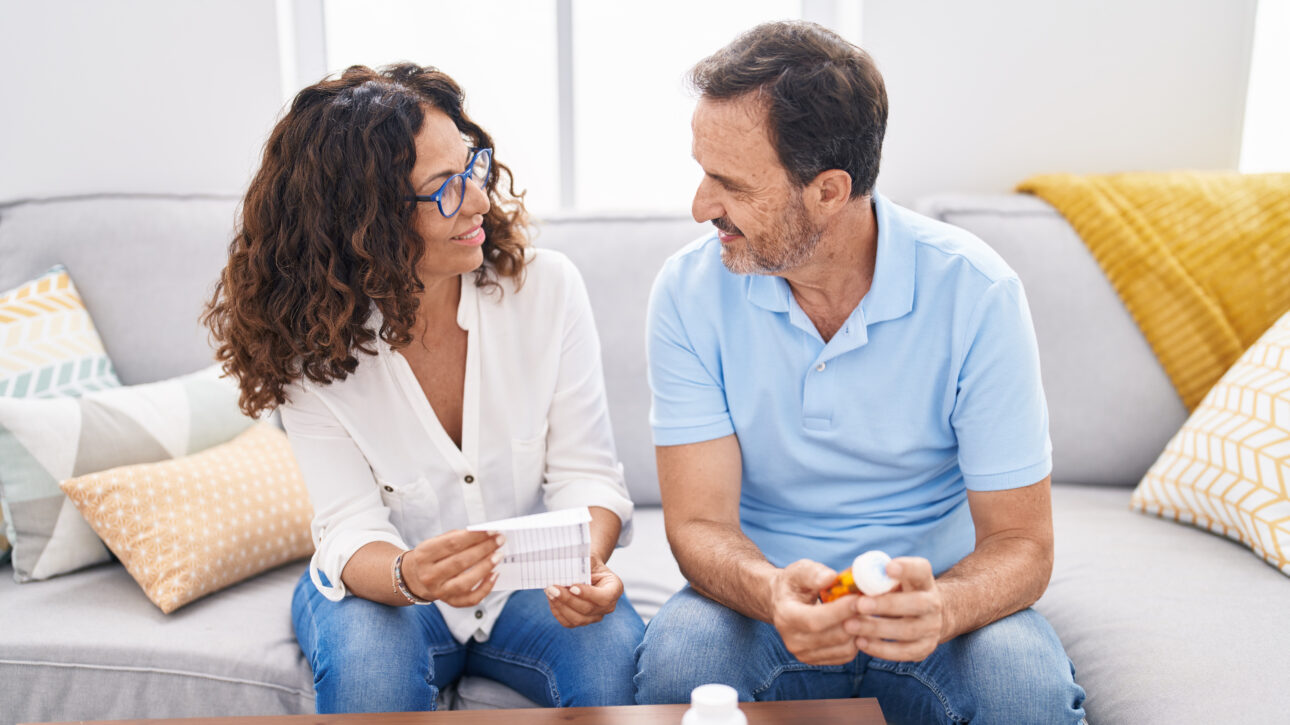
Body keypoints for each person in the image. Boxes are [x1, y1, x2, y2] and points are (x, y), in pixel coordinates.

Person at [634, 21, 1087, 724]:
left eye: (729, 184)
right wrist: (772, 588)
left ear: (828, 191)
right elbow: (697, 523)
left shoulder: (976, 292)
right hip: (761, 601)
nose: (700, 207)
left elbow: (1022, 543)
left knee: (1025, 691)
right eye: (702, 172)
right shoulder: (688, 292)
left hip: (937, 600)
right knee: (680, 667)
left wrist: (945, 605)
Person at [204, 63, 642, 713]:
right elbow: (350, 527)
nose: (479, 201)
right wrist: (411, 576)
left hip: (531, 587)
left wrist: (583, 563)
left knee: (613, 666)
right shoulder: (309, 348)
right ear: (364, 223)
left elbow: (588, 476)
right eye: (445, 188)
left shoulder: (546, 290)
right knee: (369, 678)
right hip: (384, 588)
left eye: (474, 167)